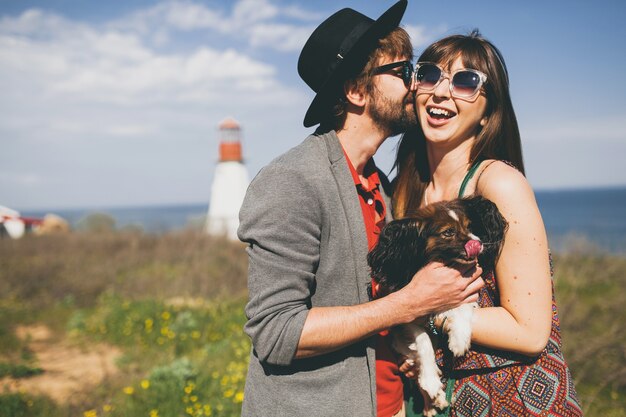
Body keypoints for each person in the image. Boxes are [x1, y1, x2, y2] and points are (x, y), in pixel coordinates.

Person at [237, 2, 485, 417]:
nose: (418, 86)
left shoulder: (381, 187)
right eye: (404, 72)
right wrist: (408, 303)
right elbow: (276, 333)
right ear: (355, 91)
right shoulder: (293, 181)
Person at [393, 31, 583, 416]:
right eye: (430, 75)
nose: (441, 93)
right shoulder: (405, 190)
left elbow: (529, 331)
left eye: (465, 82)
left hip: (515, 401)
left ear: (487, 110)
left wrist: (423, 312)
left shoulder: (498, 184)